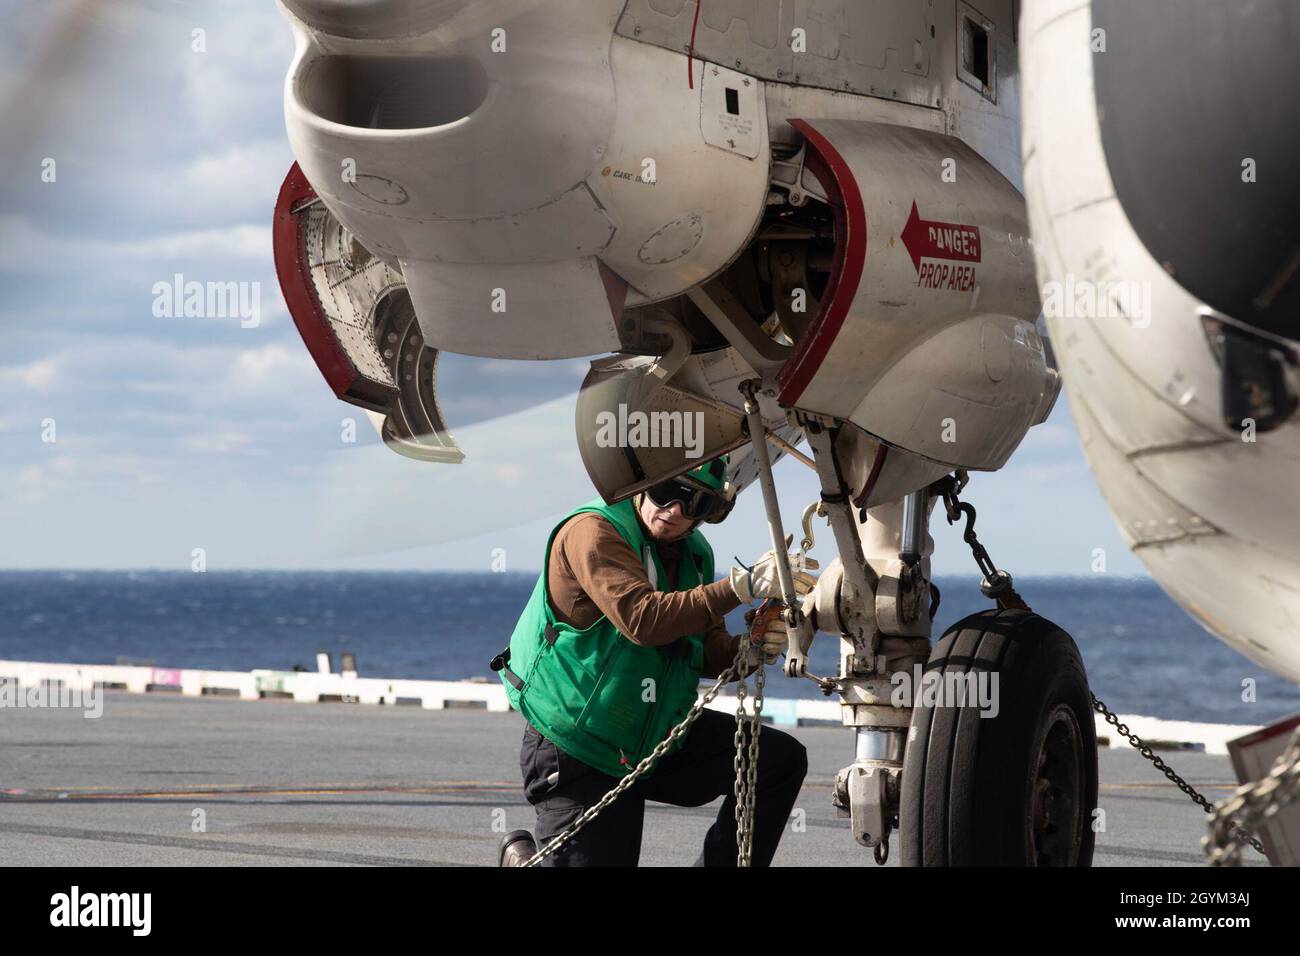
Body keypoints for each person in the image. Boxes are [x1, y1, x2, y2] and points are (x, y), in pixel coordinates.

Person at [492, 455, 816, 866]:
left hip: (650, 738)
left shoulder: (694, 554)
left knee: (776, 761)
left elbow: (707, 649)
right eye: (668, 492)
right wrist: (742, 586)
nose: (676, 511)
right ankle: (524, 860)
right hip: (579, 748)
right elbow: (643, 619)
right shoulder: (592, 531)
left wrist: (751, 647)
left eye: (694, 503)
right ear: (640, 484)